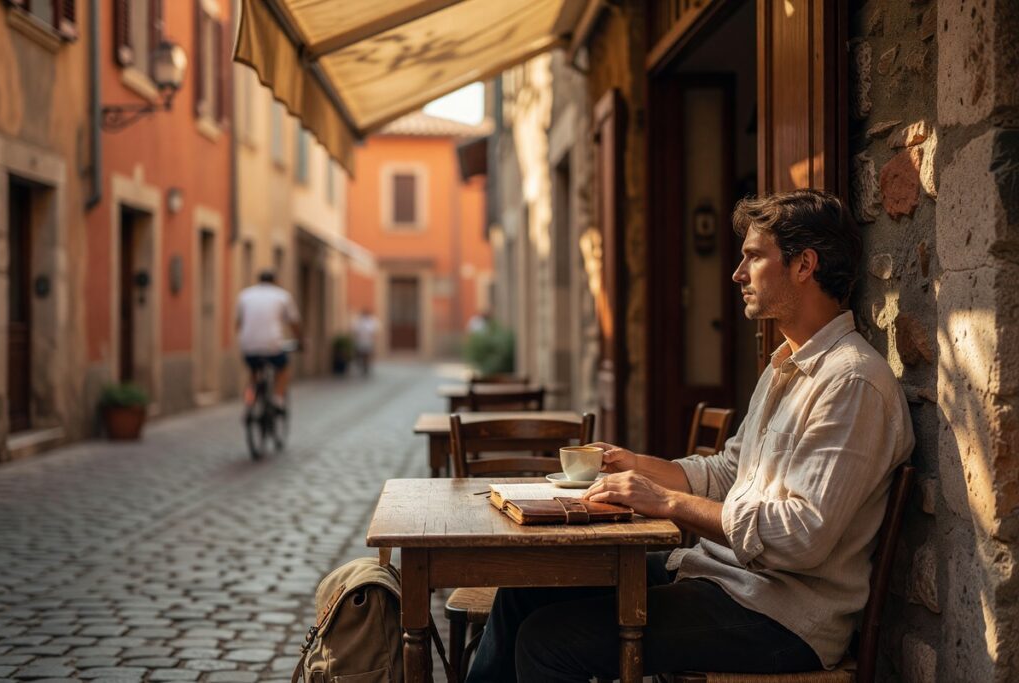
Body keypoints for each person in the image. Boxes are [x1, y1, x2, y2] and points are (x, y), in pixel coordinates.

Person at [466, 189, 915, 682]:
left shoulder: (852, 382)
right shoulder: (786, 366)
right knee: (523, 593)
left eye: (752, 257)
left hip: (781, 617)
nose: (737, 274)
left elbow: (802, 538)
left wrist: (666, 501)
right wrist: (634, 463)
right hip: (718, 577)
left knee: (550, 642)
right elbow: (729, 471)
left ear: (804, 264)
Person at [235, 271, 301, 410]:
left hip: (249, 344)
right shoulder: (282, 295)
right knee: (282, 369)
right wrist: (300, 340)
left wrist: (245, 340)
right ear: (275, 281)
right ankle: (278, 399)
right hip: (273, 344)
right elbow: (294, 322)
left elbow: (238, 323)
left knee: (253, 373)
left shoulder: (245, 295)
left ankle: (249, 400)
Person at [352, 309, 380, 376]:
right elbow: (355, 331)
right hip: (360, 340)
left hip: (368, 341)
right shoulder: (359, 321)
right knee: (361, 353)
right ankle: (362, 365)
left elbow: (374, 331)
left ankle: (366, 367)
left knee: (367, 354)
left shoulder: (371, 321)